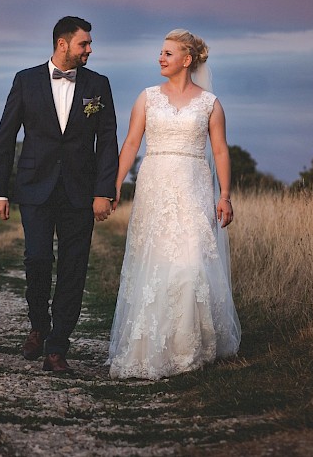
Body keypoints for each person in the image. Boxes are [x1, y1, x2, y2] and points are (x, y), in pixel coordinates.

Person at [108, 29, 241, 380]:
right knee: (155, 263)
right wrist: (115, 183)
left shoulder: (210, 103)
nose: (160, 58)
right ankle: (150, 346)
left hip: (195, 189)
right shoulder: (147, 98)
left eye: (168, 53)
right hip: (155, 186)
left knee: (192, 263)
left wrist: (224, 195)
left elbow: (220, 151)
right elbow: (132, 142)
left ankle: (189, 348)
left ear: (188, 59)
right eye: (160, 52)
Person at [0, 16, 119, 374]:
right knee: (37, 259)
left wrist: (103, 192)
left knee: (74, 269)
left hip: (80, 192)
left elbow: (107, 142)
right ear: (63, 44)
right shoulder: (25, 80)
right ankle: (38, 324)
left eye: (90, 44)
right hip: (35, 188)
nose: (90, 50)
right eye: (84, 44)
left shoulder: (99, 85)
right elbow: (5, 136)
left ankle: (58, 347)